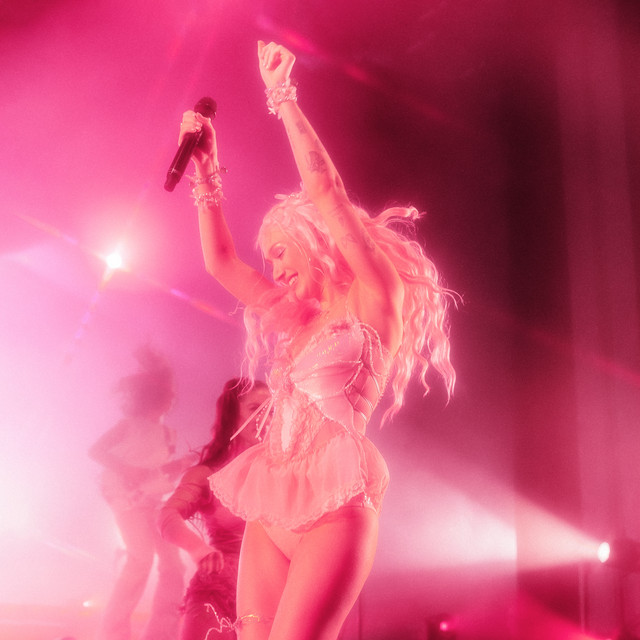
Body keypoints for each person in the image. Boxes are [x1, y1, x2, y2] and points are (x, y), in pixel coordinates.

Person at [176, 41, 457, 640]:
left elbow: (327, 191)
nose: (274, 270)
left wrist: (283, 97)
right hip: (272, 505)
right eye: (271, 259)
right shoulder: (296, 318)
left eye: (282, 252)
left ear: (316, 243)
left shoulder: (376, 298)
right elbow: (221, 263)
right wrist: (206, 169)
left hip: (335, 510)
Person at [89, 346, 190, 640]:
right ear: (152, 394)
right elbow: (95, 451)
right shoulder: (127, 426)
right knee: (141, 559)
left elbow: (157, 472)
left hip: (154, 501)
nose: (172, 398)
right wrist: (126, 469)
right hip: (126, 500)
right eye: (167, 393)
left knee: (174, 566)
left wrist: (180, 466)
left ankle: (162, 632)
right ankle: (113, 633)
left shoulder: (169, 435)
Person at [159, 378, 270, 640]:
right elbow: (167, 515)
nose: (265, 417)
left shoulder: (282, 474)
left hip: (268, 594)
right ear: (231, 416)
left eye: (271, 410)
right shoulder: (207, 474)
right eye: (254, 408)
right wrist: (197, 548)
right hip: (218, 590)